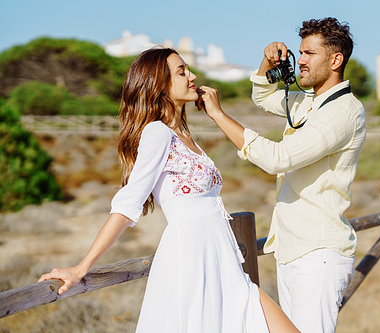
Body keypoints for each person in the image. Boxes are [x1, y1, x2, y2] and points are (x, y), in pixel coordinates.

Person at [38, 47, 299, 333]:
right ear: (159, 85)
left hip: (223, 263)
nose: (193, 76)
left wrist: (216, 114)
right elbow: (128, 204)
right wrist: (80, 268)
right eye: (182, 71)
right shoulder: (157, 133)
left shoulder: (184, 136)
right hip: (191, 259)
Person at [197, 17, 366, 333]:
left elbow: (278, 158)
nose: (299, 61)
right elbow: (262, 96)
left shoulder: (341, 112)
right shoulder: (310, 101)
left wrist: (218, 115)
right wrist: (267, 62)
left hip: (317, 253)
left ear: (336, 60)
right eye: (300, 52)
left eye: (309, 54)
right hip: (294, 249)